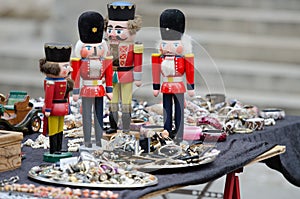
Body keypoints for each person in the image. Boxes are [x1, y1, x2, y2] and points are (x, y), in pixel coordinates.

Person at [152, 9, 195, 142]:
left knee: (179, 110)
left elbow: (190, 71)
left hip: (179, 86)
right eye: (165, 45)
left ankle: (179, 130)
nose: (169, 49)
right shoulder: (158, 58)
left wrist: (190, 87)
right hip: (165, 86)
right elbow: (155, 71)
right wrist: (156, 86)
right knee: (166, 110)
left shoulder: (185, 58)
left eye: (175, 45)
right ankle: (167, 130)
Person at [73, 11, 113, 148]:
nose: (95, 51)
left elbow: (108, 73)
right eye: (89, 48)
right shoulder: (80, 61)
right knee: (86, 116)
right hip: (86, 88)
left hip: (99, 89)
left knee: (99, 116)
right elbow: (76, 75)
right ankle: (87, 140)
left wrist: (109, 89)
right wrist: (75, 91)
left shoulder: (104, 60)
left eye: (98, 47)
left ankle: (98, 138)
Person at [105, 1, 143, 134]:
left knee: (126, 103)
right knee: (113, 102)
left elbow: (137, 62)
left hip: (127, 75)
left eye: (119, 30)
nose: (113, 33)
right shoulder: (107, 46)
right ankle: (113, 125)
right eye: (110, 29)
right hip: (112, 76)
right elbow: (105, 62)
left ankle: (126, 127)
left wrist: (138, 77)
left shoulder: (134, 47)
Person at [39, 42, 73, 155]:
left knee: (60, 128)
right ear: (53, 69)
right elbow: (48, 97)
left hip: (62, 107)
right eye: (66, 66)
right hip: (53, 108)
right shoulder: (50, 83)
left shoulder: (65, 81)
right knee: (53, 129)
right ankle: (53, 149)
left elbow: (66, 95)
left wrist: (68, 107)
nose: (70, 69)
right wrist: (48, 109)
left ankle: (59, 148)